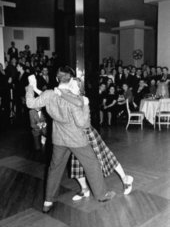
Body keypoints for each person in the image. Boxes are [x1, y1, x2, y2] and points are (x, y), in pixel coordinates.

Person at [26, 67, 115, 213]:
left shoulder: (49, 94)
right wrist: (86, 106)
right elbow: (83, 124)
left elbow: (31, 103)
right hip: (76, 139)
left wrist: (31, 86)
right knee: (92, 164)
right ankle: (101, 195)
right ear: (71, 79)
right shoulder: (75, 99)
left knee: (54, 169)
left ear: (56, 79)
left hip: (59, 139)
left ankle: (48, 201)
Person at [56, 78, 134, 201]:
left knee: (105, 156)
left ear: (79, 88)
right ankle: (84, 189)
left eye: (75, 86)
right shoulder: (68, 97)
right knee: (76, 163)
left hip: (88, 134)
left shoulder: (81, 99)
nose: (72, 88)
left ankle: (126, 179)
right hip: (75, 136)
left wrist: (61, 93)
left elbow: (76, 107)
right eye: (71, 86)